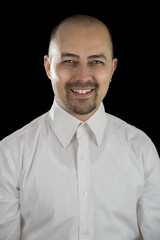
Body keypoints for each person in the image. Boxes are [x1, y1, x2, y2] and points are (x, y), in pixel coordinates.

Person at [0, 14, 160, 240]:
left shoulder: (142, 149)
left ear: (113, 69)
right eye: (69, 61)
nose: (83, 77)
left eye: (96, 61)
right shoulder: (9, 155)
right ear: (48, 66)